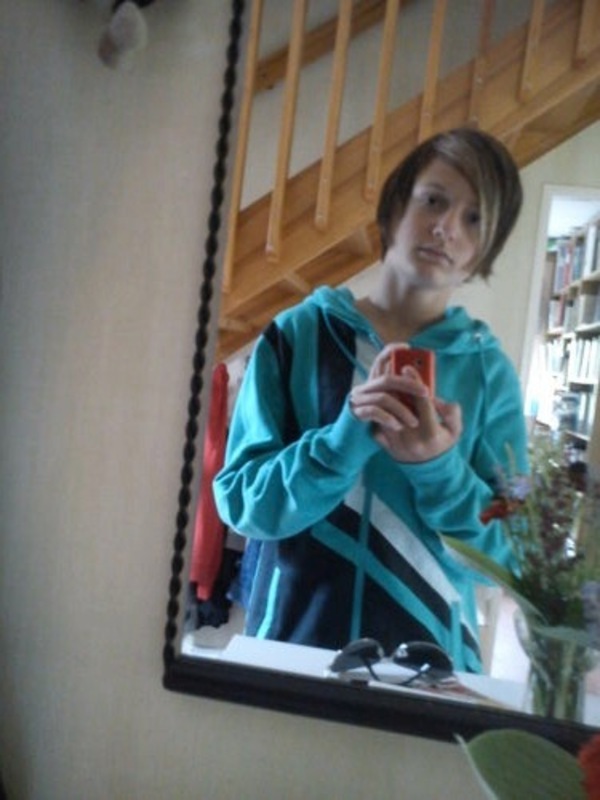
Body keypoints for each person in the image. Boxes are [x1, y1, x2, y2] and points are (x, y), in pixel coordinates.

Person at [213, 127, 529, 673]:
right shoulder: (295, 336)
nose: (447, 227)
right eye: (434, 200)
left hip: (432, 670)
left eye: (475, 218)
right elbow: (240, 503)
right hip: (290, 652)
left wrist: (440, 470)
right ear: (395, 207)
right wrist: (338, 445)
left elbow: (512, 552)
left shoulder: (489, 374)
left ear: (486, 249)